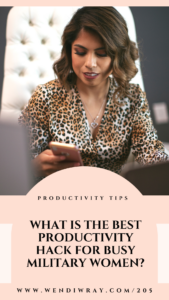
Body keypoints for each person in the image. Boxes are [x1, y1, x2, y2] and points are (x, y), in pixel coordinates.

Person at [18, 6, 168, 180]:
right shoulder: (46, 96)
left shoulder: (132, 98)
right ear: (69, 51)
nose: (90, 63)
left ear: (117, 55)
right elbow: (15, 158)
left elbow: (151, 152)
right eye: (80, 52)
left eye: (102, 53)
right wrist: (33, 166)